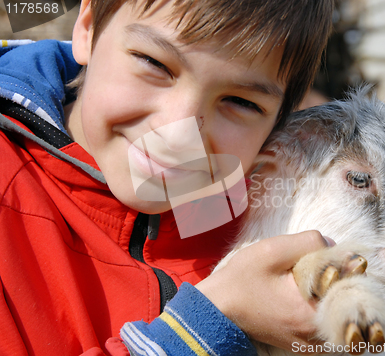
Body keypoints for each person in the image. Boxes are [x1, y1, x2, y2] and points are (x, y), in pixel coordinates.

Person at [0, 0, 334, 355]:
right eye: (154, 63)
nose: (177, 135)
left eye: (241, 102)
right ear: (88, 28)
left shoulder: (270, 216)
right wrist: (209, 326)